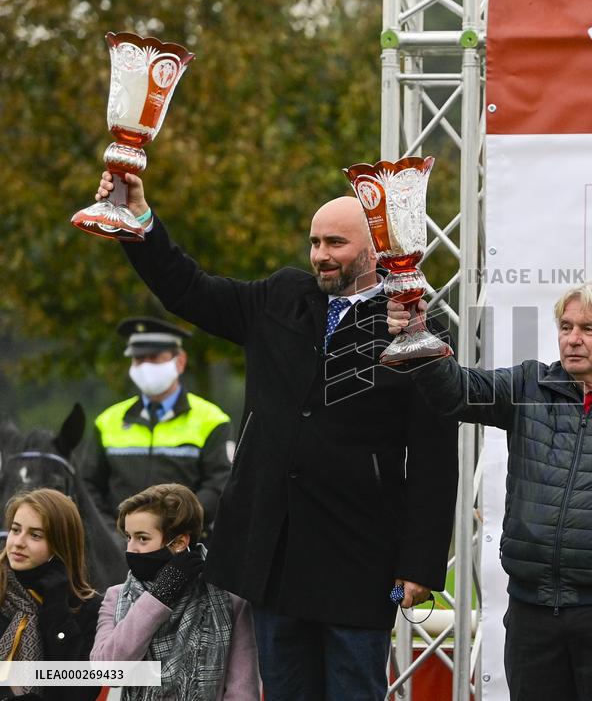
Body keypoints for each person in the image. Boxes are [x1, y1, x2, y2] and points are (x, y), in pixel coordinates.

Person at [93, 172, 459, 701]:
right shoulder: (280, 296)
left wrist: (420, 562)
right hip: (274, 551)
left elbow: (433, 458)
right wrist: (140, 223)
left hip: (358, 556)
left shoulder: (413, 327)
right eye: (314, 241)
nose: (320, 255)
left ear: (377, 249)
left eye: (335, 242)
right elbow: (187, 288)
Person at [387, 282, 592, 701]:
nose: (572, 339)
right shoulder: (527, 386)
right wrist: (416, 338)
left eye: (589, 329)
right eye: (566, 326)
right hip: (530, 611)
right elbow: (456, 392)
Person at [91, 483, 260, 700]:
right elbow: (106, 671)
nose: (130, 549)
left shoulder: (229, 599)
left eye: (142, 538)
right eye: (128, 537)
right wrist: (158, 597)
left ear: (179, 543)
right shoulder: (116, 596)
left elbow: (243, 690)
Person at [82, 317, 234, 536]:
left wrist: (175, 528)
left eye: (154, 358)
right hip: (118, 548)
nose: (145, 366)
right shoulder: (107, 421)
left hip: (183, 546)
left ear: (180, 361)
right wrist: (112, 532)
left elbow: (219, 485)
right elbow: (89, 486)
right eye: (138, 359)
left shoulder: (212, 420)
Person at [0, 488, 102, 701]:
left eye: (35, 535)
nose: (18, 542)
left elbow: (81, 692)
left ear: (61, 545)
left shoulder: (89, 608)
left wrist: (56, 607)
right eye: (15, 530)